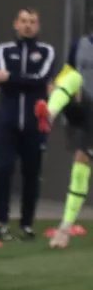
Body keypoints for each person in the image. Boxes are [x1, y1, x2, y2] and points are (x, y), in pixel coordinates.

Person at [0, 8, 55, 244]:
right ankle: (2, 222)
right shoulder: (4, 49)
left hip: (35, 124)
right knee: (3, 170)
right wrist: (21, 81)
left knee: (31, 174)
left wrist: (11, 78)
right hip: (7, 122)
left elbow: (42, 79)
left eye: (32, 22)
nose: (27, 25)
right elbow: (2, 80)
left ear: (38, 26)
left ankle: (27, 224)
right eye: (24, 21)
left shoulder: (46, 51)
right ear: (16, 24)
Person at [34, 35, 93, 248]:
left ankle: (64, 229)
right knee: (73, 77)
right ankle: (49, 113)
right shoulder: (81, 44)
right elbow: (67, 72)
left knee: (81, 166)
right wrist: (57, 85)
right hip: (84, 107)